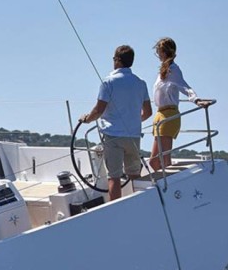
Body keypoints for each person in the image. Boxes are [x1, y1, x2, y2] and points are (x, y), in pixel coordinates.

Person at [79, 45, 152, 201]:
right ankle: (140, 205)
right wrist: (132, 121)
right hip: (133, 135)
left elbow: (98, 110)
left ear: (117, 60)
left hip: (113, 136)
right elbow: (148, 112)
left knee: (114, 177)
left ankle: (116, 211)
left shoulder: (108, 82)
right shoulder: (141, 83)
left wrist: (87, 119)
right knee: (135, 175)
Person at [148, 37, 209, 171]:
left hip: (169, 114)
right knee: (153, 162)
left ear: (164, 52)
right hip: (159, 114)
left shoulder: (174, 69)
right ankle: (162, 186)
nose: (158, 55)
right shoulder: (163, 71)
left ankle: (168, 187)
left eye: (158, 52)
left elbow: (184, 86)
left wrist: (196, 100)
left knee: (165, 160)